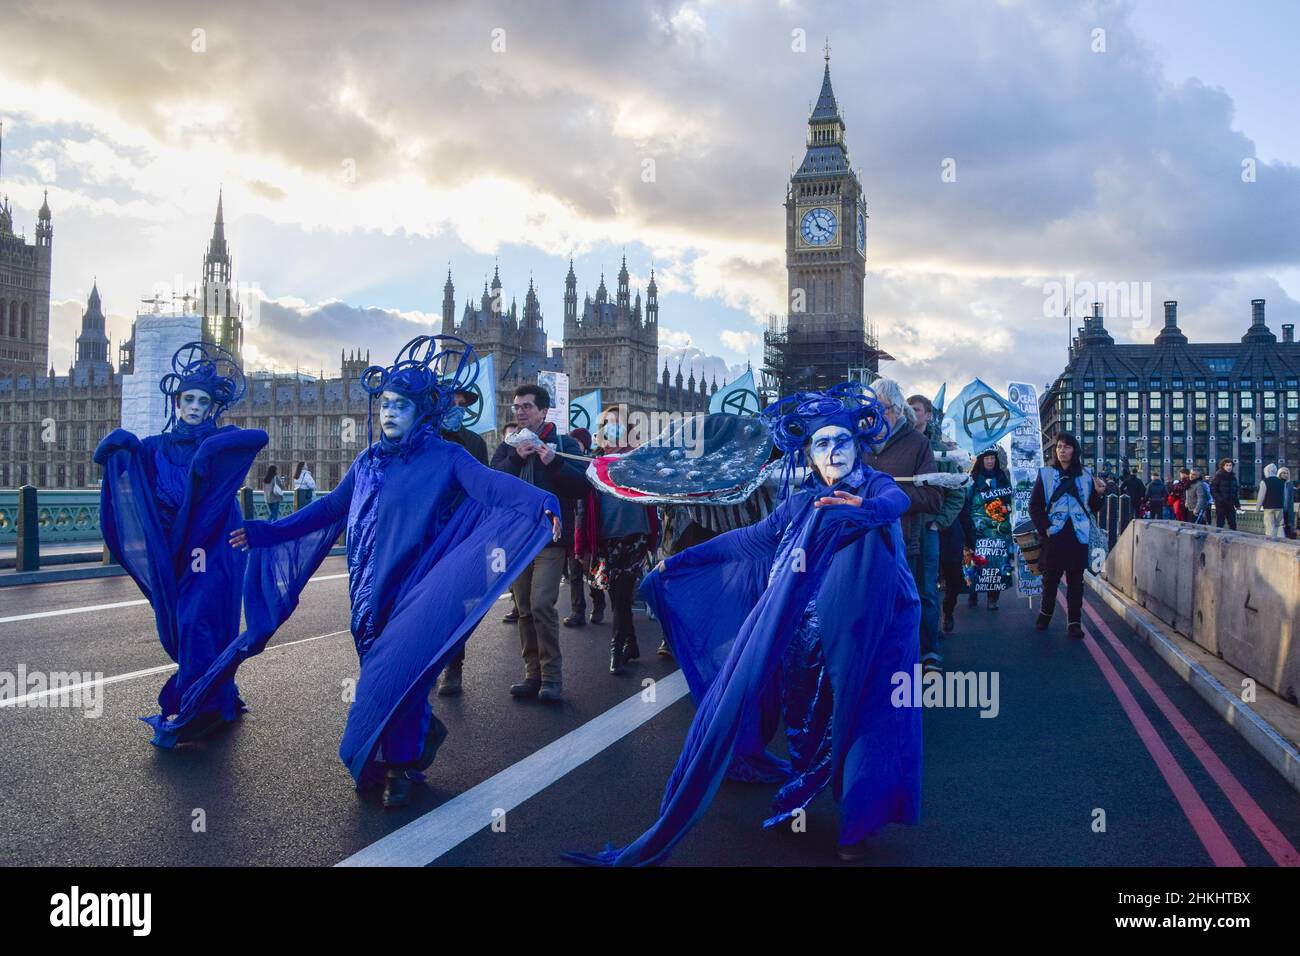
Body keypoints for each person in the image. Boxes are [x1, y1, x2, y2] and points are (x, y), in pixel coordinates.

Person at [566, 383, 919, 865]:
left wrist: (868, 508)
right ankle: (806, 790)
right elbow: (748, 542)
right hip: (808, 633)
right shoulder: (798, 504)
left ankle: (857, 825)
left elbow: (896, 502)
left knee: (865, 718)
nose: (833, 451)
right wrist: (678, 563)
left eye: (842, 441)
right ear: (809, 454)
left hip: (875, 627)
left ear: (858, 446)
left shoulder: (873, 486)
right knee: (810, 719)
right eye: (822, 443)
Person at [230, 336, 560, 808]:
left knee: (397, 675)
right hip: (368, 588)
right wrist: (268, 532)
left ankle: (400, 766)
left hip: (419, 585)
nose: (389, 413)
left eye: (400, 406)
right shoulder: (366, 463)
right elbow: (327, 509)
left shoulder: (447, 457)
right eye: (385, 404)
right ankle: (417, 736)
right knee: (388, 675)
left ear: (421, 413)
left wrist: (540, 501)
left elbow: (491, 488)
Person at [95, 341, 268, 747]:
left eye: (202, 401)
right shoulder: (155, 447)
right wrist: (117, 443)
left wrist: (209, 448)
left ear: (212, 407)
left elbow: (256, 437)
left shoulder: (223, 438)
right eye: (187, 398)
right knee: (185, 623)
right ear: (176, 402)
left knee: (195, 620)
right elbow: (117, 464)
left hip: (217, 545)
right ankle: (215, 691)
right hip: (178, 546)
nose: (194, 406)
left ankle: (199, 707)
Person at [491, 383, 590, 702]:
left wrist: (555, 464)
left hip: (550, 538)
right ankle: (532, 675)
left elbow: (583, 487)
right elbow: (492, 484)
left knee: (541, 604)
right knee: (523, 608)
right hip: (517, 539)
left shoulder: (564, 445)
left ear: (544, 411)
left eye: (526, 407)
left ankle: (552, 678)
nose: (519, 412)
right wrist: (516, 460)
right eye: (516, 407)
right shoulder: (508, 446)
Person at [864, 379, 943, 672]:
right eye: (869, 409)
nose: (873, 416)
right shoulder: (861, 441)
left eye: (879, 409)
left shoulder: (918, 444)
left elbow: (933, 498)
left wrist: (889, 497)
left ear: (896, 409)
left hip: (902, 540)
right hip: (862, 542)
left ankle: (922, 655)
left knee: (908, 603)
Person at [575, 409, 660, 673]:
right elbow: (582, 506)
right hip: (605, 537)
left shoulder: (638, 460)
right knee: (614, 594)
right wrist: (580, 544)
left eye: (617, 426)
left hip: (634, 534)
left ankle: (616, 650)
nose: (611, 430)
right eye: (606, 426)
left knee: (623, 593)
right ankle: (631, 642)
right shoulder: (593, 463)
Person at [434, 389, 491, 697]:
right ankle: (421, 665)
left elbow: (482, 490)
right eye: (449, 404)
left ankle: (453, 666)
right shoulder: (424, 440)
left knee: (454, 602)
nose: (455, 409)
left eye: (460, 406)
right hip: (426, 533)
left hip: (460, 533)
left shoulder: (475, 443)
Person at [1028, 432, 1105, 638]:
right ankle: (1045, 615)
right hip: (1054, 534)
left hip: (1078, 535)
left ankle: (1074, 623)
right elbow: (1034, 505)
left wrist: (1099, 494)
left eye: (1067, 447)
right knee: (1050, 579)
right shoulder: (1045, 474)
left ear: (1074, 450)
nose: (1062, 450)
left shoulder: (1086, 475)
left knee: (1075, 581)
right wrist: (1044, 527)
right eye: (1059, 446)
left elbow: (1094, 507)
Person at [908, 393, 970, 633]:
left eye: (916, 409)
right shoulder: (899, 446)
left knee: (929, 588)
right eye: (908, 409)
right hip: (903, 528)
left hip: (929, 529)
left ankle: (930, 640)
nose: (912, 414)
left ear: (929, 415)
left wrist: (938, 523)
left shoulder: (942, 452)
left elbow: (956, 493)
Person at [562, 426, 607, 628]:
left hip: (588, 525)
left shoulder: (592, 463)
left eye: (578, 442)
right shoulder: (565, 462)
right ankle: (577, 611)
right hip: (571, 524)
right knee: (574, 572)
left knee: (591, 569)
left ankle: (598, 603)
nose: (574, 446)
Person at [967, 447, 1012, 611]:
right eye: (986, 458)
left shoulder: (1002, 477)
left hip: (999, 529)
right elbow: (968, 502)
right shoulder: (973, 479)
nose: (990, 461)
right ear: (981, 460)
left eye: (992, 458)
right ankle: (973, 592)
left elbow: (1009, 501)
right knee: (976, 563)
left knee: (997, 563)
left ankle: (993, 598)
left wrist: (1007, 509)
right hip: (978, 530)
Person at [1257, 463, 1287, 539]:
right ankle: (1282, 542)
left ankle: (1271, 543)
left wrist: (1258, 508)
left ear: (1267, 471)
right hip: (1279, 507)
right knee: (1279, 526)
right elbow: (1284, 496)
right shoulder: (1281, 482)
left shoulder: (1264, 482)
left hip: (1268, 508)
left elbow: (1261, 497)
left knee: (1270, 526)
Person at [1209, 459, 1239, 530]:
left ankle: (1234, 538)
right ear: (1223, 466)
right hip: (1221, 504)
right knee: (1220, 523)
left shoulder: (1233, 477)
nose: (1229, 467)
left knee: (1233, 523)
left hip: (1230, 504)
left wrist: (1237, 505)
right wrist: (1220, 500)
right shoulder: (1218, 476)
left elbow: (1235, 493)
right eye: (1227, 465)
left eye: (1230, 465)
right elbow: (1213, 490)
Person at [1280, 467, 1296, 539]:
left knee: (1288, 526)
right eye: (1283, 473)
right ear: (1280, 474)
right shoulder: (1278, 483)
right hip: (1280, 509)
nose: (1285, 474)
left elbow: (1291, 498)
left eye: (1287, 473)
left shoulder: (1290, 484)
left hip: (1288, 509)